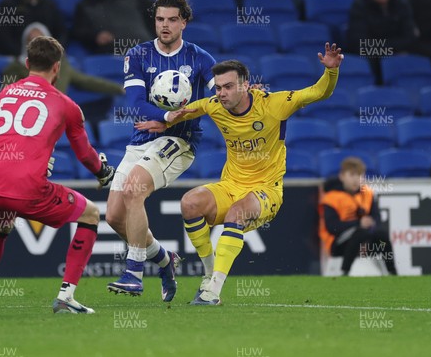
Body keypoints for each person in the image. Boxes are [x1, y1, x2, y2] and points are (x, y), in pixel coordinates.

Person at [135, 43, 344, 305]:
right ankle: (209, 273)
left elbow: (316, 92)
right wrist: (164, 121)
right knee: (190, 202)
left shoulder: (275, 104)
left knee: (237, 213)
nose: (221, 93)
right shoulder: (214, 105)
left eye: (228, 87)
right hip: (231, 185)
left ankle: (213, 292)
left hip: (266, 190)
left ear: (245, 85)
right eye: (219, 87)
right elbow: (190, 110)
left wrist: (331, 72)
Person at [0, 36, 116, 314]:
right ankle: (66, 296)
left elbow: (9, 140)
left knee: (0, 225)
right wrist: (104, 172)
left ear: (27, 63)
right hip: (27, 189)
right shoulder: (66, 105)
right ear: (57, 68)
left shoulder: (5, 93)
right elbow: (84, 154)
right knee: (91, 214)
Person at [105, 0, 216, 302]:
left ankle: (133, 274)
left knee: (133, 191)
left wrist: (173, 122)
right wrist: (166, 115)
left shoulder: (200, 58)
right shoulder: (138, 55)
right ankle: (165, 260)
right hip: (141, 139)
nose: (164, 25)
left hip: (179, 141)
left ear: (184, 23)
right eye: (159, 19)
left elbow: (218, 98)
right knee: (114, 217)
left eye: (171, 20)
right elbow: (137, 103)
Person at [319, 157, 397, 276]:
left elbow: (376, 219)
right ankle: (345, 272)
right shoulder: (331, 198)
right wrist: (358, 224)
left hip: (364, 242)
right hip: (339, 244)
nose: (356, 179)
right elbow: (332, 227)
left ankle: (392, 272)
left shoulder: (367, 194)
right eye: (352, 175)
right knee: (360, 233)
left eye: (360, 175)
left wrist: (371, 226)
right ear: (342, 176)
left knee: (382, 236)